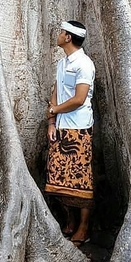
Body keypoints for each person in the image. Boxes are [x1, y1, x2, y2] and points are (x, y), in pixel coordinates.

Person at [44, 20, 95, 246]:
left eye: (62, 32)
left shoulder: (84, 64)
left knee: (81, 180)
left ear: (68, 37)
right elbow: (56, 90)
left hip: (79, 128)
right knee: (61, 178)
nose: (59, 34)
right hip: (61, 127)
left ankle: (84, 227)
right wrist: (51, 121)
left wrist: (54, 109)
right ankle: (70, 220)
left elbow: (79, 99)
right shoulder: (62, 63)